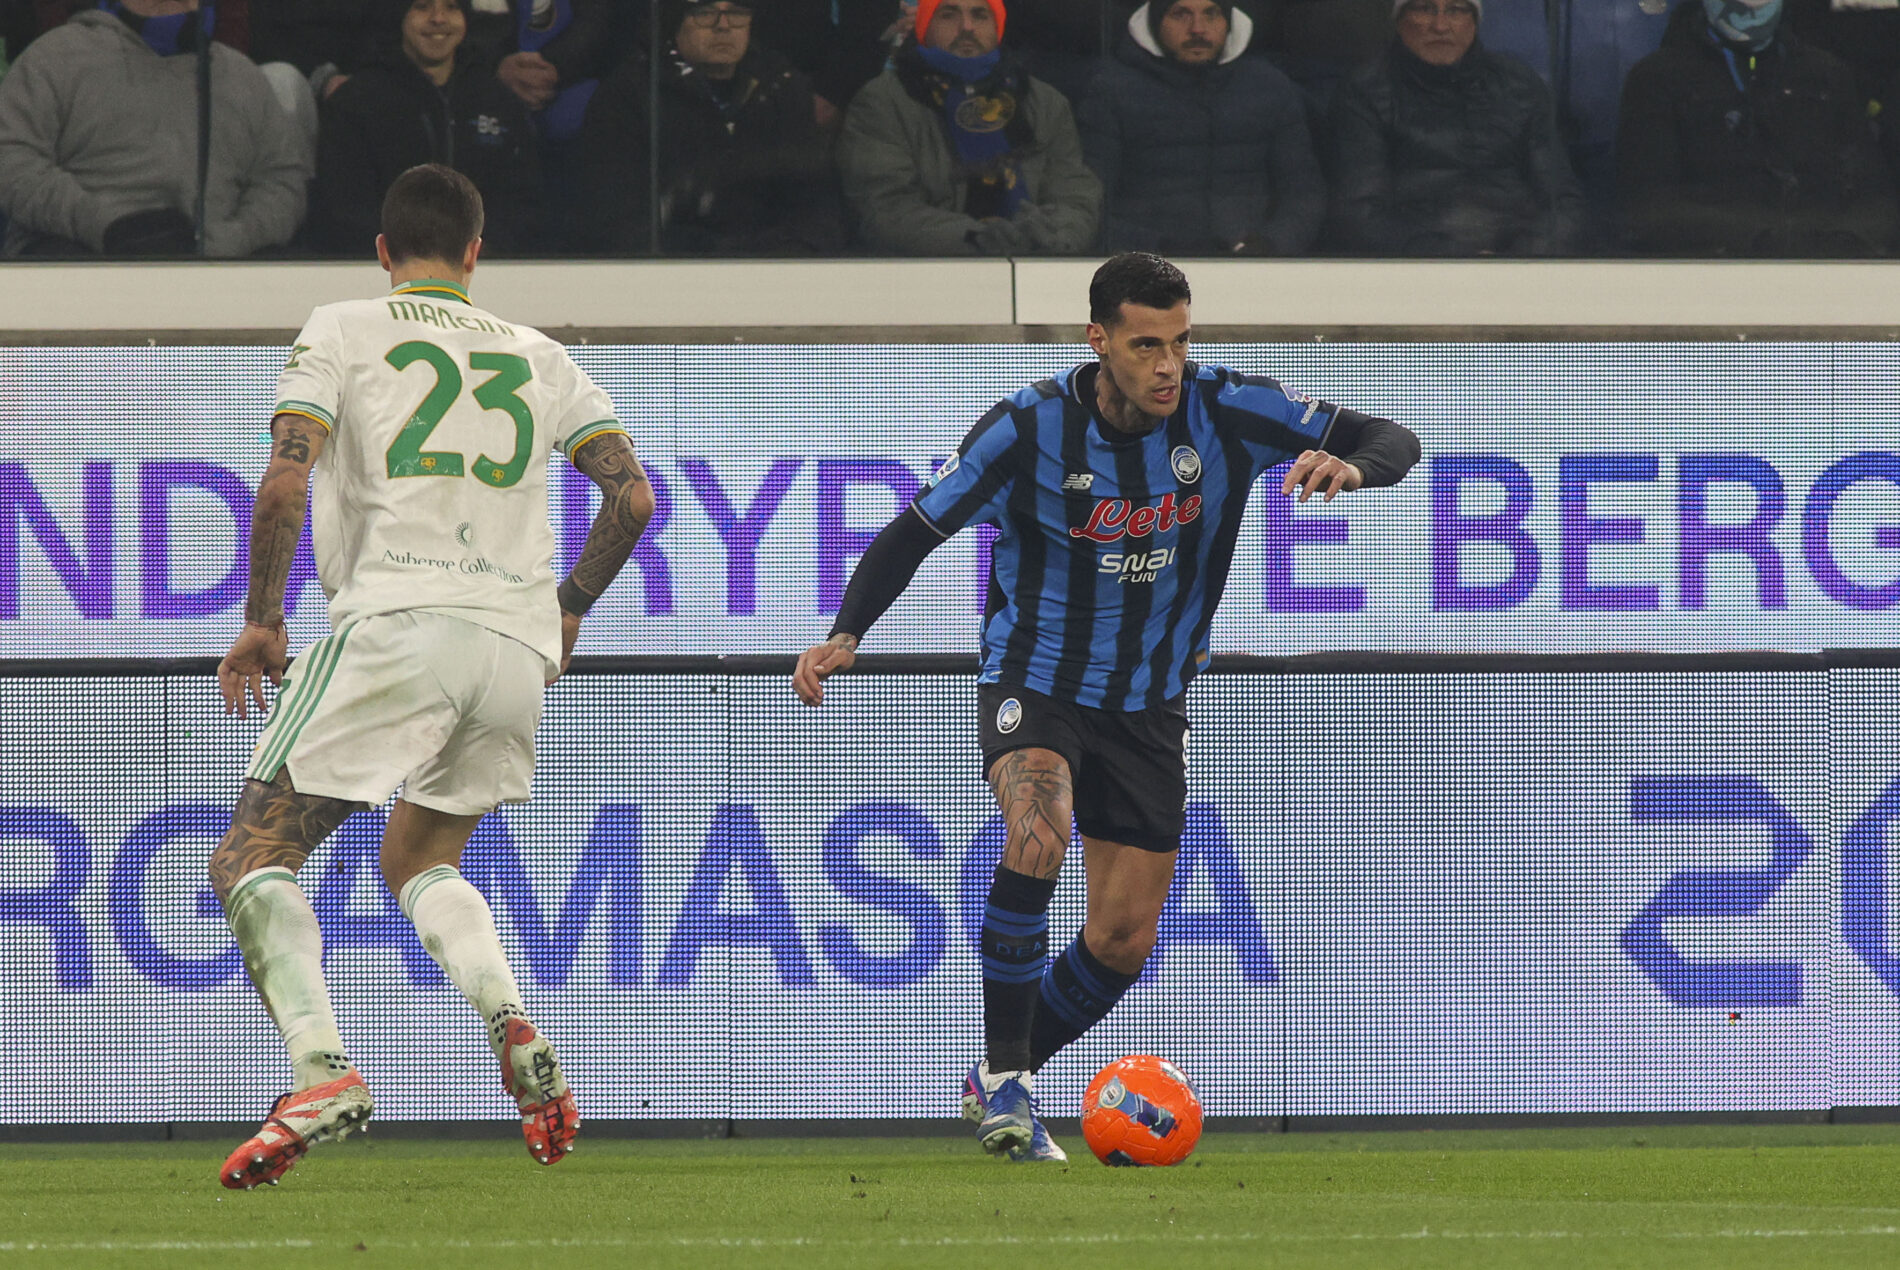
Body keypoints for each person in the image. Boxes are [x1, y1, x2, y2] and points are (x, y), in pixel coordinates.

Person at [792, 252, 1420, 1162]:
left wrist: (1353, 466)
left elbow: (1392, 437)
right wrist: (846, 632)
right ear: (1099, 341)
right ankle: (1012, 1087)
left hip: (1150, 702)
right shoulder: (1026, 427)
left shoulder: (1228, 409)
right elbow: (915, 530)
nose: (1168, 366)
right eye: (1146, 346)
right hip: (1038, 680)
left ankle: (998, 1074)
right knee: (1037, 829)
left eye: (1180, 342)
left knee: (1123, 940)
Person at [210, 163, 653, 1189]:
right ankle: (510, 1016)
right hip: (512, 650)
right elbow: (633, 498)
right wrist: (568, 608)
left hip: (398, 623)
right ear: (474, 254)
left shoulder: (343, 327)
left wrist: (264, 618)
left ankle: (319, 1071)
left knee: (250, 855)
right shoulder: (539, 355)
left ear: (382, 252)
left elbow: (284, 481)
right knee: (417, 856)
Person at [0, 0, 304, 256]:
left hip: (216, 275)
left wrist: (229, 241)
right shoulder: (54, 57)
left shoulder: (243, 77)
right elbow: (13, 162)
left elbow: (281, 182)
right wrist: (104, 224)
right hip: (76, 260)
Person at [1617, 0, 1897, 257]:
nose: (1749, 9)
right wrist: (1760, 239)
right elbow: (1648, 206)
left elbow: (1875, 195)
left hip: (1825, 274)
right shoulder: (1657, 80)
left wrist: (1836, 246)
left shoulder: (1828, 75)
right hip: (1708, 274)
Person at [575, 0, 842, 255]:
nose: (723, 25)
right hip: (673, 269)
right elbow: (617, 221)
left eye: (736, 12)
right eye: (704, 12)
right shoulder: (628, 96)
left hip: (776, 267)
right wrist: (720, 258)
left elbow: (817, 207)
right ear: (675, 21)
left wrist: (788, 255)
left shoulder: (783, 88)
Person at [837, 0, 1101, 255]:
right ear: (924, 27)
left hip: (1034, 268)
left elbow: (1074, 196)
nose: (966, 27)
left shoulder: (1045, 103)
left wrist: (1049, 237)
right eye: (949, 15)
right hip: (925, 272)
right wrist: (978, 239)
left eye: (979, 15)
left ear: (997, 26)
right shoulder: (883, 102)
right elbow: (885, 209)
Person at [1328, 0, 1586, 256]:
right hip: (1418, 265)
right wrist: (1458, 261)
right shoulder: (1365, 93)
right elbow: (1360, 213)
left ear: (1474, 22)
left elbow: (1564, 203)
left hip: (1523, 263)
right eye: (1425, 9)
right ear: (1399, 20)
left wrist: (1519, 258)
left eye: (1456, 10)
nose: (1440, 26)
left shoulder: (1521, 86)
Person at [1078, 0, 1324, 256]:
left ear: (1229, 22)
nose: (1197, 28)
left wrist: (1271, 244)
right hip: (1145, 265)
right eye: (1180, 14)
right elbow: (1087, 204)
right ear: (1154, 23)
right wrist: (1156, 248)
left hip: (1256, 264)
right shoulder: (1111, 91)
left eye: (1211, 14)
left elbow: (1304, 193)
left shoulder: (1271, 88)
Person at [314, 0, 548, 255]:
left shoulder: (499, 101)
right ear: (401, 16)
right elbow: (346, 208)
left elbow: (523, 202)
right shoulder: (356, 102)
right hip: (384, 267)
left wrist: (478, 253)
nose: (438, 18)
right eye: (422, 6)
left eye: (451, 7)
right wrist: (411, 256)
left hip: (486, 266)